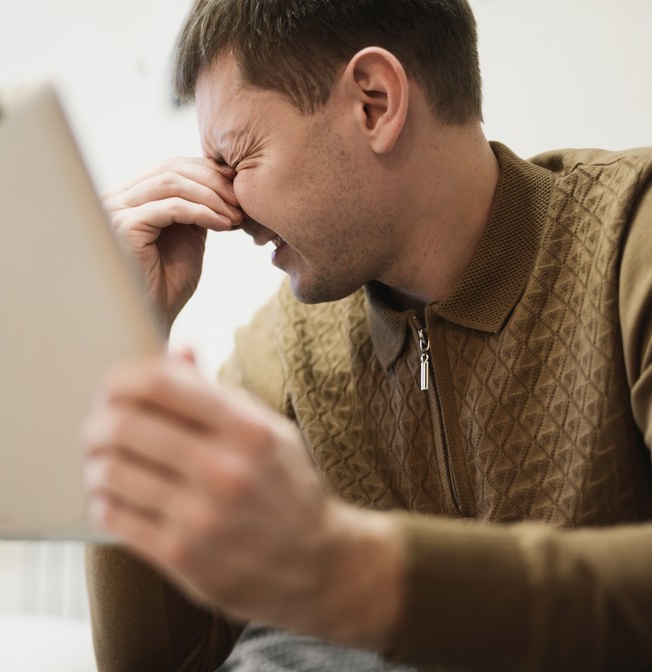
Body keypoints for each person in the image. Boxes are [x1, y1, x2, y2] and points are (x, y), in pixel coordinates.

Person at [81, 1, 652, 670]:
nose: (228, 213)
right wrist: (118, 340)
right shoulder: (287, 351)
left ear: (374, 103)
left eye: (234, 159)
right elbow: (163, 662)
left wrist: (358, 575)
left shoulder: (630, 241)